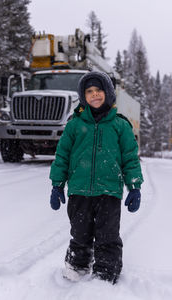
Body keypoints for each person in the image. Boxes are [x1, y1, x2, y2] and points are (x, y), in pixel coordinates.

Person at [49, 71, 143, 284]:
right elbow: (62, 155)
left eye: (99, 90)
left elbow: (130, 158)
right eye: (89, 91)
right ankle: (77, 265)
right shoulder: (75, 124)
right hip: (79, 190)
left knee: (107, 235)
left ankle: (106, 271)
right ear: (83, 96)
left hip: (109, 191)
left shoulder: (120, 125)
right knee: (80, 232)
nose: (94, 95)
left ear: (108, 92)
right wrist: (57, 185)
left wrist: (134, 186)